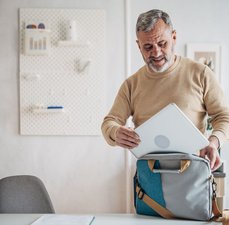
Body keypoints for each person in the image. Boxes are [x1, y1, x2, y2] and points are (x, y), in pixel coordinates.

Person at [101, 9, 229, 171]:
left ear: (173, 37)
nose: (156, 52)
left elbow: (224, 116)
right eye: (147, 46)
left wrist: (214, 141)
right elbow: (109, 122)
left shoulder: (201, 73)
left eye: (162, 44)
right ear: (138, 46)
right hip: (150, 177)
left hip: (193, 173)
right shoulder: (131, 84)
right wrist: (114, 131)